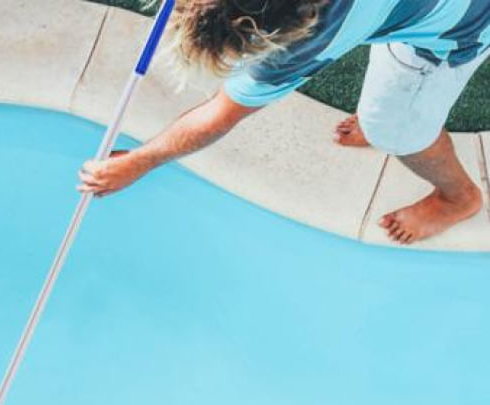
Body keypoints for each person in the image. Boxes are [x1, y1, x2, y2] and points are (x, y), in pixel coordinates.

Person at [78, 0, 489, 244]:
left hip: (463, 23)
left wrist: (140, 161)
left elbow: (219, 116)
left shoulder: (305, 43)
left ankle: (458, 198)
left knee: (392, 127)